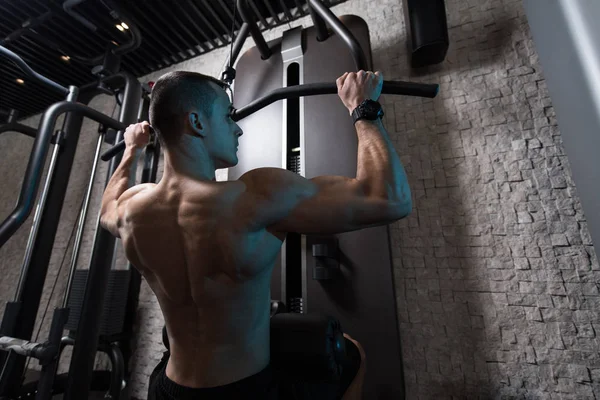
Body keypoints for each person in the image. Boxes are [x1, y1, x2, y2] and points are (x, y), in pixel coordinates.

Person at [99, 69, 412, 399]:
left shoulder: (133, 208)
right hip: (245, 390)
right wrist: (362, 106)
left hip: (167, 389)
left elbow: (106, 209)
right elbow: (388, 198)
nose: (237, 128)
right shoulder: (253, 196)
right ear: (197, 122)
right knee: (352, 354)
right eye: (227, 116)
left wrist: (132, 149)